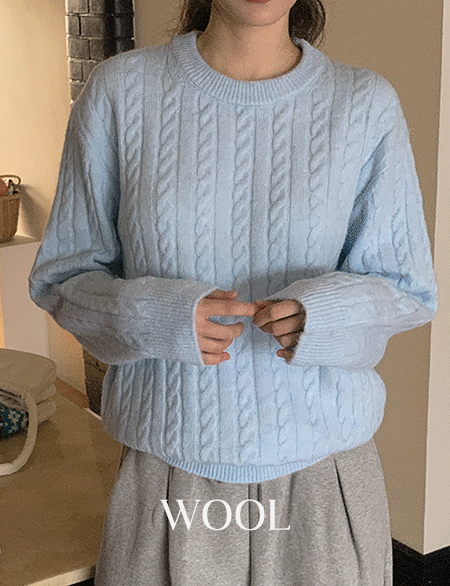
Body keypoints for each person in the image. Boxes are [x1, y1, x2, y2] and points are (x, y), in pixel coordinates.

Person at [29, 0, 437, 584]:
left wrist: (326, 316)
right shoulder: (120, 92)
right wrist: (153, 315)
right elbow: (63, 276)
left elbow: (407, 287)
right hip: (168, 473)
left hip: (323, 483)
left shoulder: (363, 103)